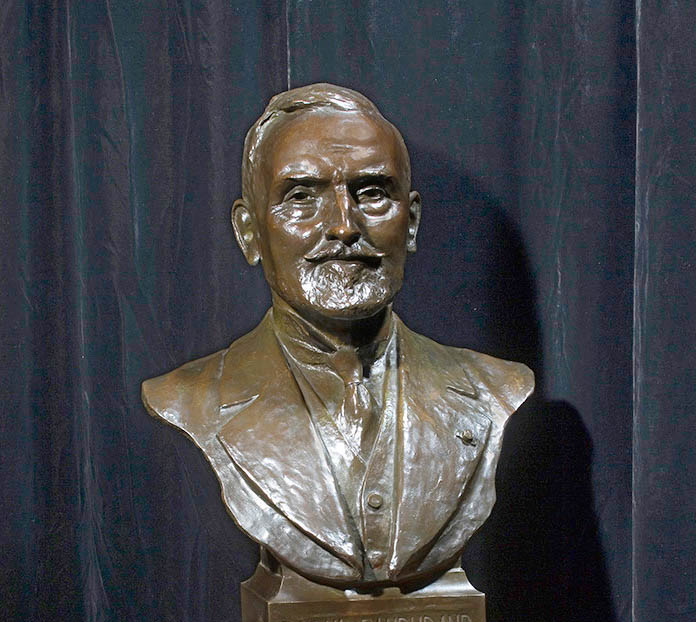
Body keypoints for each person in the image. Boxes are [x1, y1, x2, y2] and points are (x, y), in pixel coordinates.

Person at [143, 83, 533, 590]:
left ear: (410, 222)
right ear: (249, 232)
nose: (345, 226)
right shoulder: (192, 398)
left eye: (372, 193)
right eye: (301, 197)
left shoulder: (494, 392)